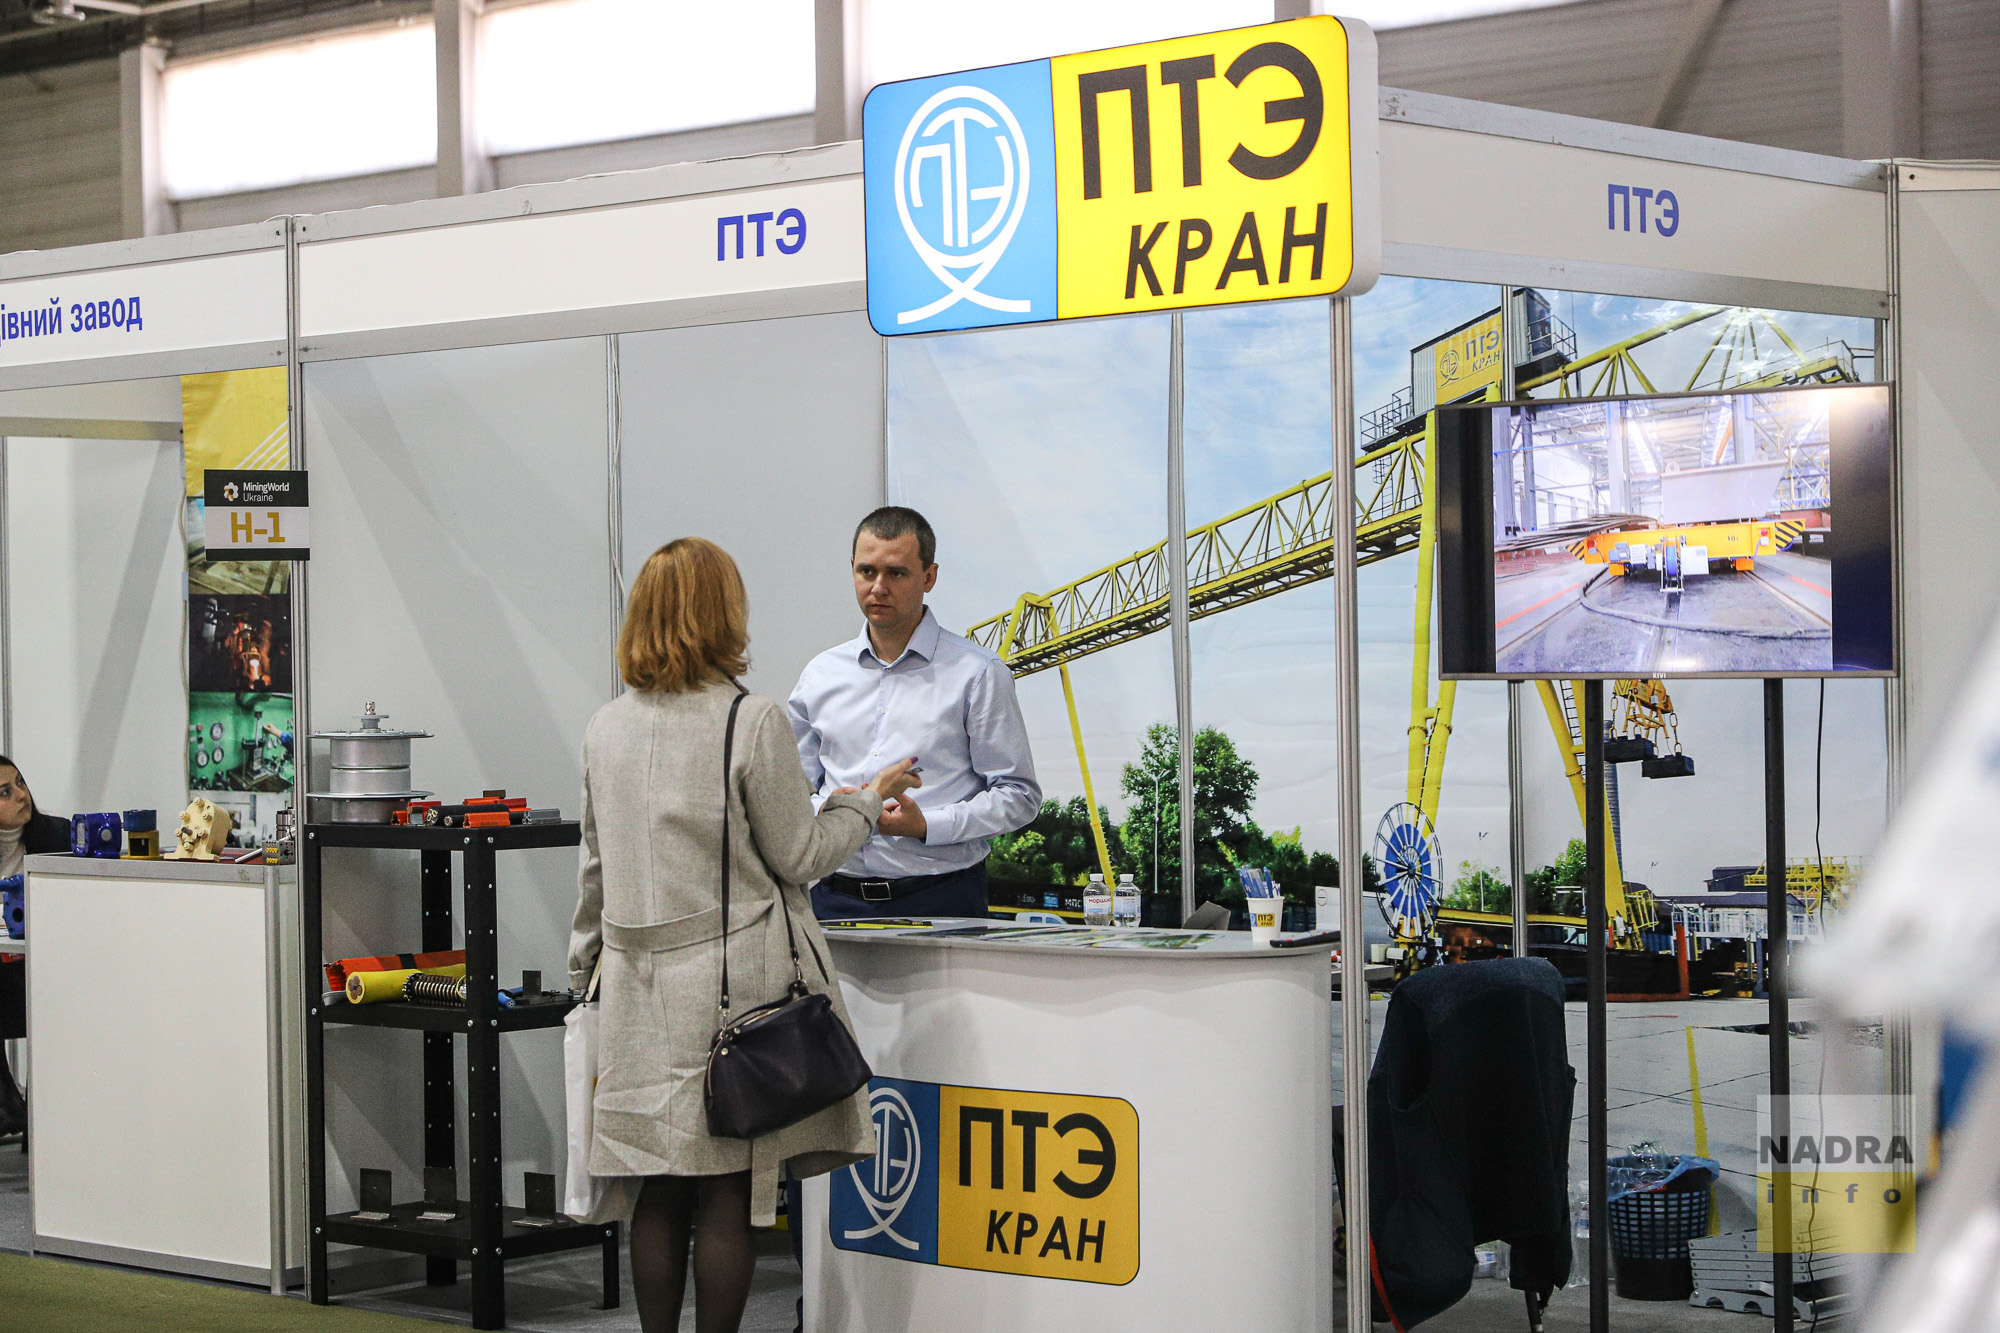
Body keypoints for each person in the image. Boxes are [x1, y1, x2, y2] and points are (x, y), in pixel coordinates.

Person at [569, 537, 919, 1333]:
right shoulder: (750, 720)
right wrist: (865, 801)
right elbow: (801, 854)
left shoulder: (604, 727)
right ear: (722, 613)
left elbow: (595, 869)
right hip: (731, 998)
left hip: (634, 990)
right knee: (729, 1190)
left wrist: (584, 966)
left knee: (659, 1188)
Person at [788, 506, 1040, 920]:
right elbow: (792, 793)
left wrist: (927, 826)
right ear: (852, 570)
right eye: (867, 571)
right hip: (830, 898)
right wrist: (831, 809)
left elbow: (1019, 796)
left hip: (942, 900)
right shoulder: (820, 674)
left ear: (929, 577)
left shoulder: (977, 673)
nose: (878, 587)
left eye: (896, 573)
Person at [0, 756, 66, 1139]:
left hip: (42, 978)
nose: (22, 795)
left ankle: (27, 1112)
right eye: (5, 792)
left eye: (20, 783)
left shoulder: (58, 836)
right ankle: (8, 1102)